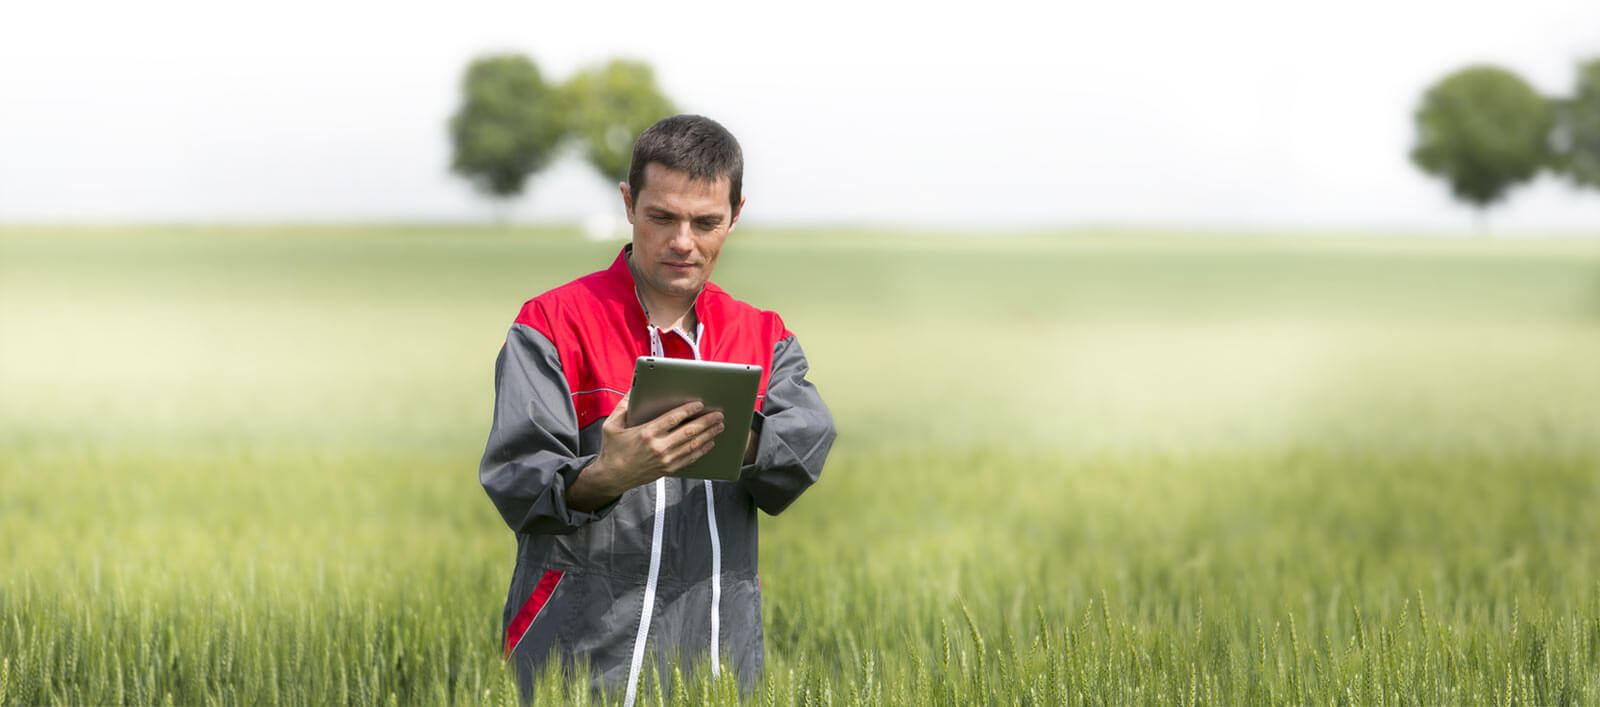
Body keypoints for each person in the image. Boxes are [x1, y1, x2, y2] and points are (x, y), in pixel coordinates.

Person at [479, 114, 836, 704]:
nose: (682, 242)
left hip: (716, 652)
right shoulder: (551, 324)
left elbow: (805, 444)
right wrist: (604, 477)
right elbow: (517, 479)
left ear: (736, 214)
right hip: (576, 651)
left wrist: (730, 437)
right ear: (628, 203)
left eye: (706, 222)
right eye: (662, 216)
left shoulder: (764, 335)